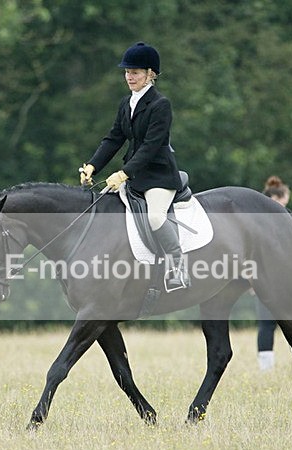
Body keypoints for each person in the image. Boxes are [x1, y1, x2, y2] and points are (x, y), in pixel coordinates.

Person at [79, 41, 189, 292]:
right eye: (127, 72)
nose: (129, 77)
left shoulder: (161, 105)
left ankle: (177, 268)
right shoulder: (125, 103)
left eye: (135, 72)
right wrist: (93, 166)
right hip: (134, 176)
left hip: (159, 176)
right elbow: (114, 139)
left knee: (155, 217)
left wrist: (123, 173)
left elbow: (151, 147)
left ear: (150, 74)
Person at [255, 176, 292, 371]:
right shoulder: (285, 215)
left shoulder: (256, 217)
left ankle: (266, 369)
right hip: (282, 278)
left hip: (261, 277)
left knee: (266, 325)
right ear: (281, 196)